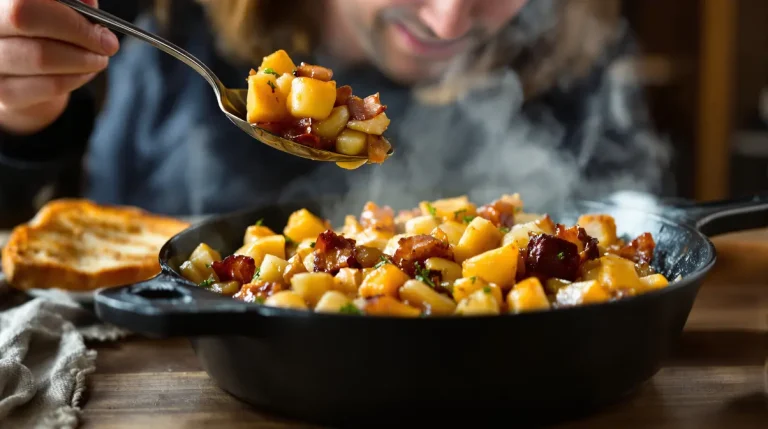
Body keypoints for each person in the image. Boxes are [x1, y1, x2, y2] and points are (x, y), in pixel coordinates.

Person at [0, 0, 672, 226]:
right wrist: (20, 116)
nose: (447, 20)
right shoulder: (161, 11)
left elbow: (627, 210)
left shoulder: (573, 36)